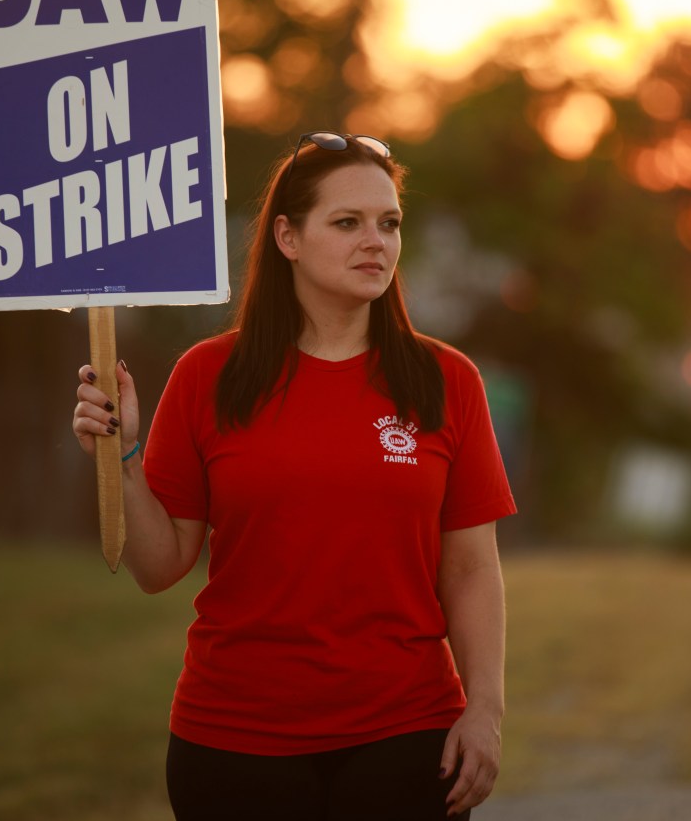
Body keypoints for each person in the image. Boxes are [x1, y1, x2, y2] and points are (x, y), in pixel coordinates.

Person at [72, 132, 516, 820]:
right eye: (348, 222)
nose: (377, 242)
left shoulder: (446, 381)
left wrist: (484, 711)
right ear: (288, 236)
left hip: (405, 730)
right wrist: (121, 457)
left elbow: (470, 570)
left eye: (389, 223)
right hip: (234, 738)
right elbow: (160, 565)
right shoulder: (207, 375)